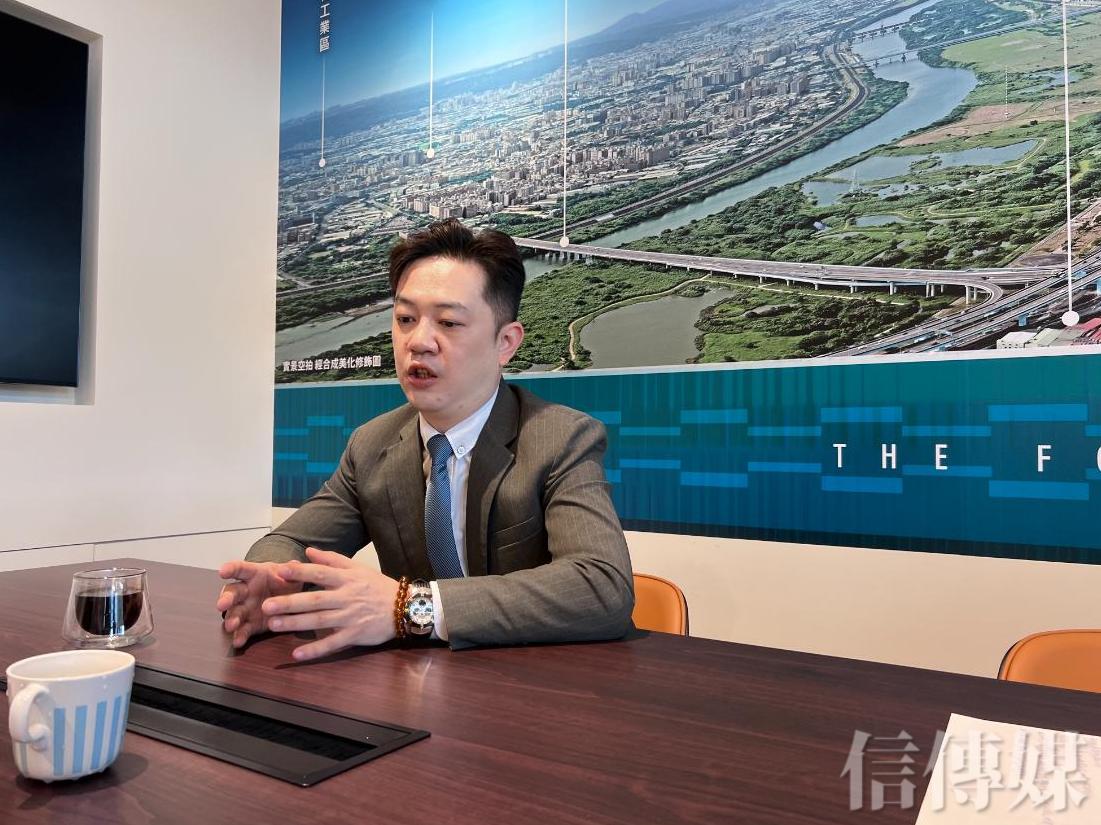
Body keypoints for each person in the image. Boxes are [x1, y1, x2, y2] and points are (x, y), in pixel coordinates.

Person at [216, 219, 634, 659]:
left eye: (449, 322)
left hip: (536, 680)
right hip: (417, 683)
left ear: (506, 343)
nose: (418, 342)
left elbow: (601, 585)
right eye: (405, 319)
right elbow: (292, 542)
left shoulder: (560, 437)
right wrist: (271, 578)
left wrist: (411, 607)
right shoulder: (372, 445)